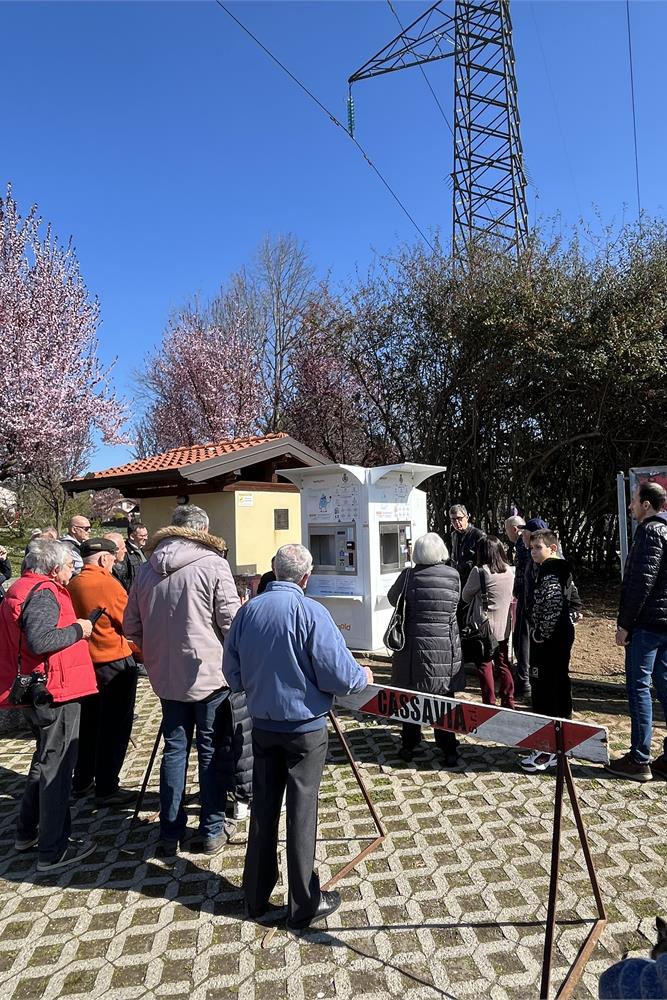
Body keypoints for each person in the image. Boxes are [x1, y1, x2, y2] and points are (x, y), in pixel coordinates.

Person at [225, 543, 373, 930]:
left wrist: (255, 688)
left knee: (263, 808)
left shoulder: (247, 612)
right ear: (306, 577)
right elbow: (339, 675)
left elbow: (232, 671)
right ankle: (303, 903)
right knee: (302, 812)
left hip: (263, 724)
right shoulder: (311, 612)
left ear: (274, 570)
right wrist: (362, 677)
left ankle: (255, 895)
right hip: (305, 728)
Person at [123, 504, 241, 854]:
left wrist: (156, 650)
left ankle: (170, 832)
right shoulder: (213, 564)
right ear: (202, 530)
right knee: (210, 750)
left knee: (174, 750)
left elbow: (131, 626)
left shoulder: (147, 568)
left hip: (165, 676)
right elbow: (231, 623)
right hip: (209, 674)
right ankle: (212, 829)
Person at [0, 540, 97, 871]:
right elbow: (40, 640)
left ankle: (26, 832)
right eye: (70, 565)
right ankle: (53, 849)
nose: (73, 571)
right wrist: (79, 629)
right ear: (55, 569)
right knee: (57, 767)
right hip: (55, 691)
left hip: (37, 688)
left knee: (44, 762)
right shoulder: (44, 593)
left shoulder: (22, 587)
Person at [67, 537, 138, 806]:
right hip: (113, 661)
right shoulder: (107, 584)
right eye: (112, 558)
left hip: (85, 663)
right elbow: (129, 622)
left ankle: (82, 779)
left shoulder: (73, 583)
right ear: (103, 559)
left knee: (88, 724)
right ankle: (107, 787)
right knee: (115, 727)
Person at [606, 482, 667, 782]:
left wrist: (625, 625)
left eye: (633, 500)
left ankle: (639, 759)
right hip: (664, 623)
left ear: (646, 504)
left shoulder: (650, 531)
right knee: (664, 687)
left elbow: (641, 582)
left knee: (639, 688)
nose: (630, 506)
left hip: (647, 625)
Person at [388, 532, 465, 766]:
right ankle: (448, 748)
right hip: (445, 645)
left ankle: (409, 744)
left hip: (413, 646)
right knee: (443, 697)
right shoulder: (453, 575)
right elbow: (457, 603)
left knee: (410, 695)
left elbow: (392, 598)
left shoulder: (408, 576)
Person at [520, 528, 582, 773]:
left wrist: (540, 633)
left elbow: (553, 604)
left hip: (550, 641)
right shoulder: (560, 568)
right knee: (558, 687)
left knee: (546, 691)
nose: (533, 552)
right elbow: (574, 601)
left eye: (538, 548)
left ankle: (546, 749)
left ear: (552, 548)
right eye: (531, 548)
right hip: (560, 636)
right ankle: (559, 744)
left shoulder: (551, 570)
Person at [462, 535, 515, 709]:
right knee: (503, 663)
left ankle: (489, 703)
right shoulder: (509, 571)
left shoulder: (480, 572)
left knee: (484, 665)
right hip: (503, 625)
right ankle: (508, 700)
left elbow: (465, 596)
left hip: (483, 628)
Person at [512, 516, 548, 701]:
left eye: (525, 532)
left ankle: (526, 682)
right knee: (521, 641)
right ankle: (525, 680)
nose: (522, 535)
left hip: (533, 605)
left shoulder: (539, 557)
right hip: (524, 600)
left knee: (526, 643)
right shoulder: (525, 549)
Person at [449, 505, 485, 587]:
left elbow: (484, 561)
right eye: (453, 519)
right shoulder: (454, 535)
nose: (456, 522)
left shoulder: (478, 535)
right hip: (457, 580)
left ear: (467, 518)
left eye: (459, 518)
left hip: (473, 580)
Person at [112, 523, 148, 594]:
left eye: (146, 535)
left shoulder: (145, 550)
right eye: (142, 536)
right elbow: (120, 577)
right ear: (132, 536)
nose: (146, 538)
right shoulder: (124, 552)